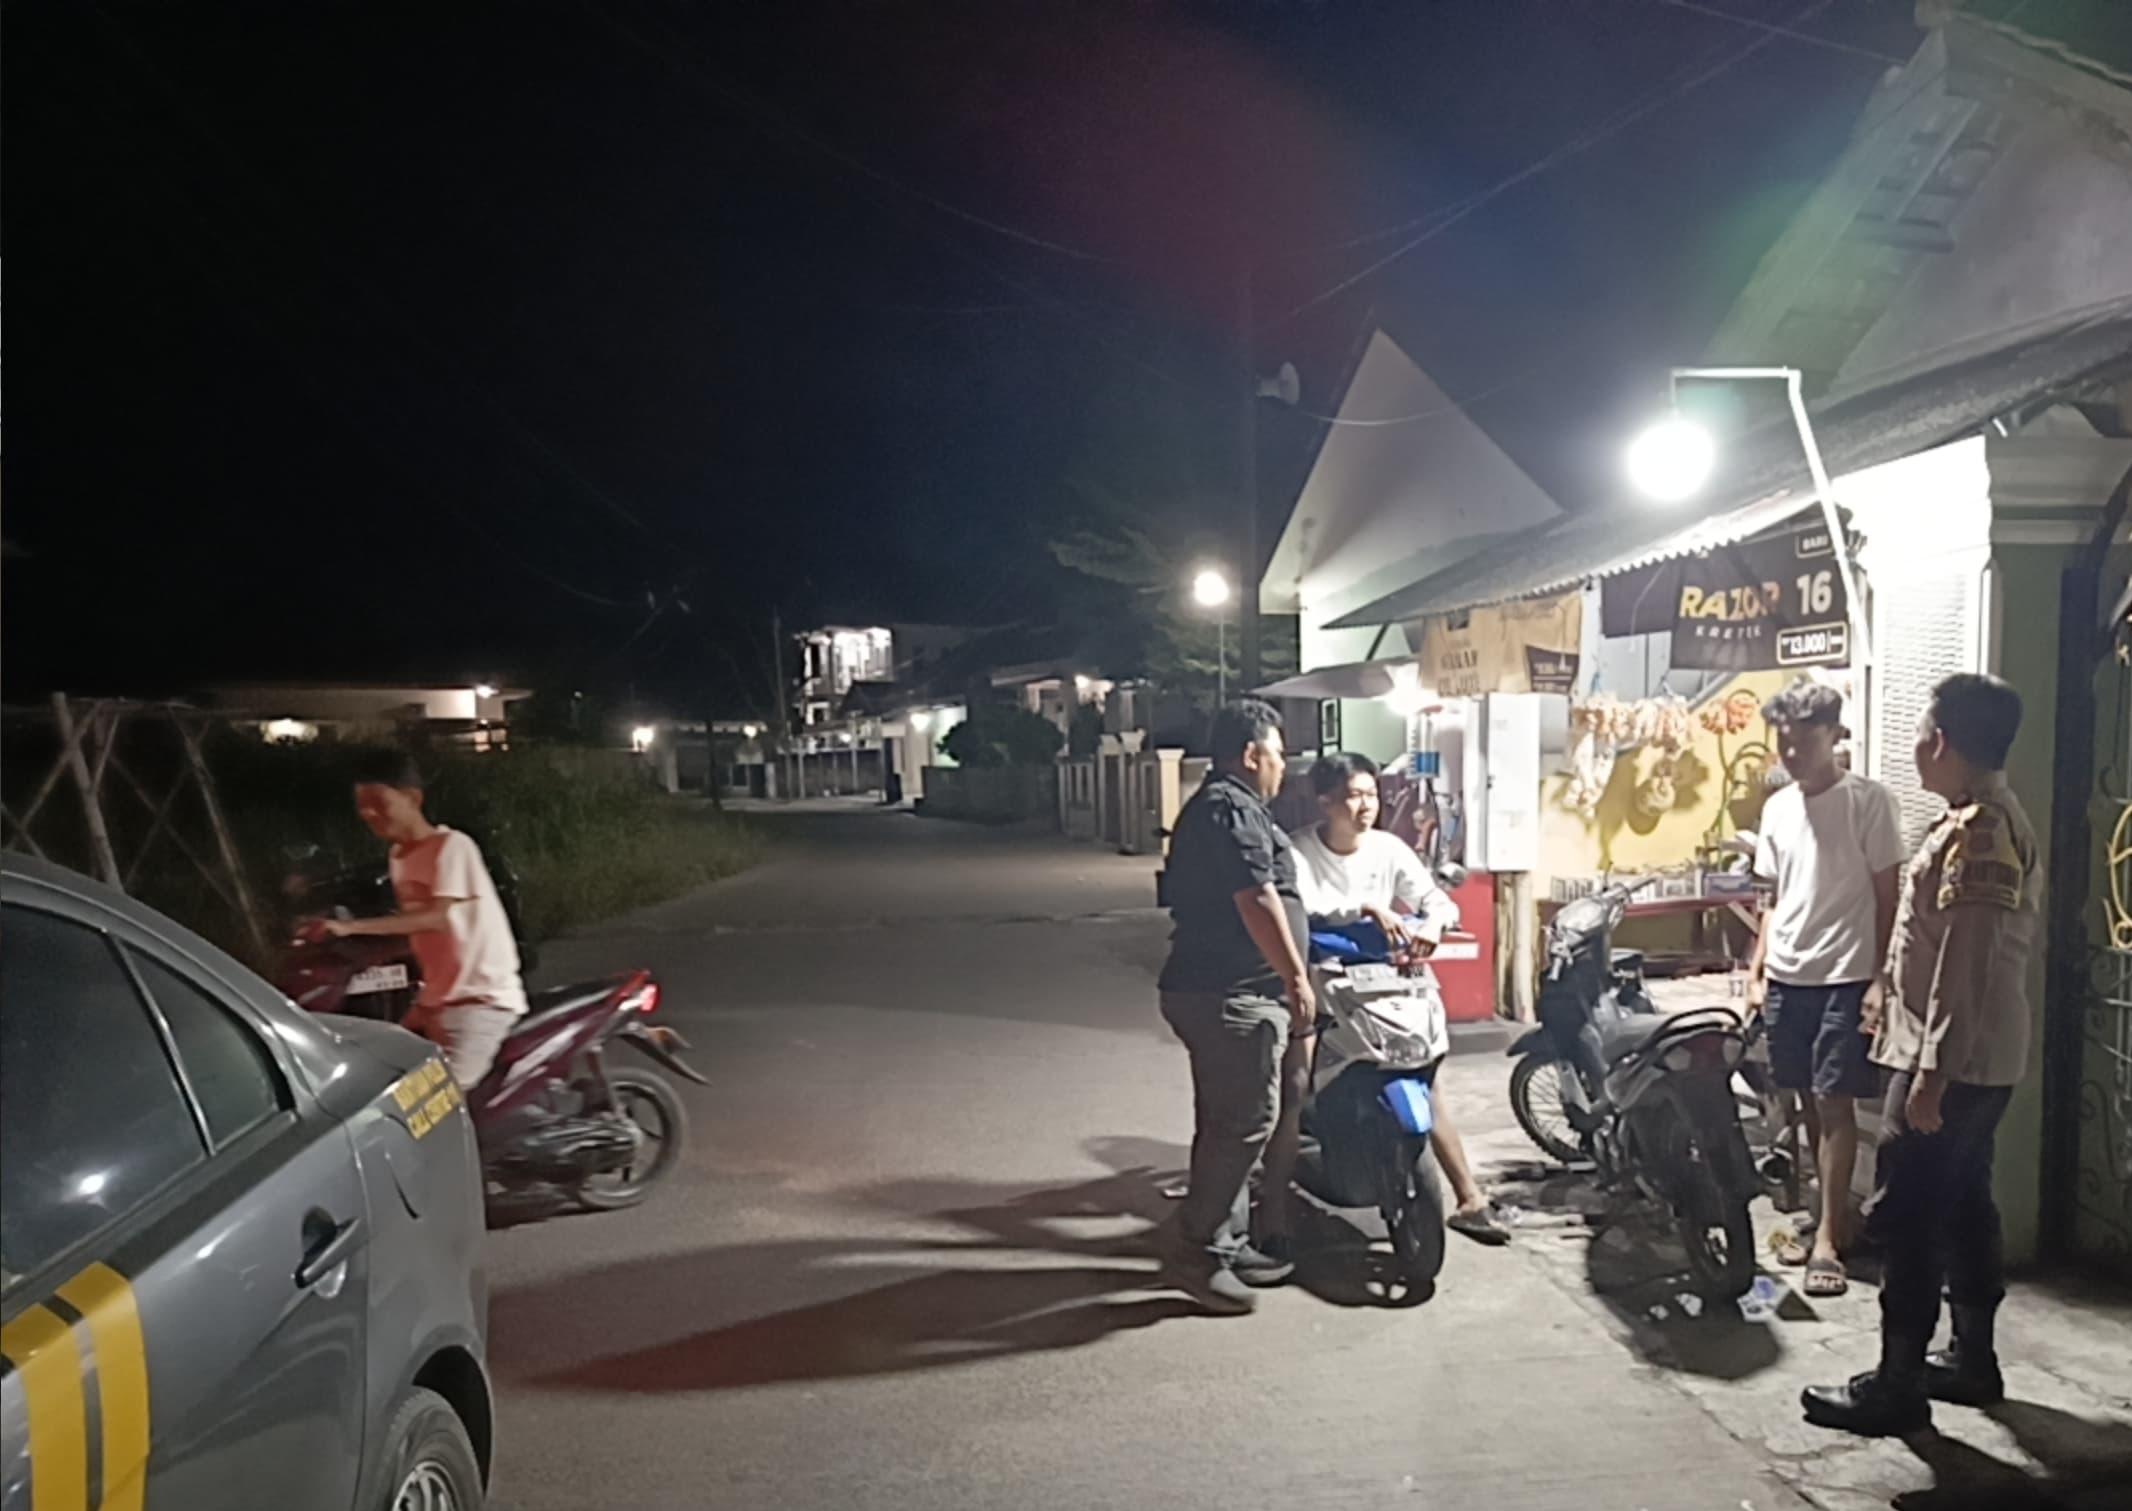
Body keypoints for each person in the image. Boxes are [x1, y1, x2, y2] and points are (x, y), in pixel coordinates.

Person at [1804, 673, 2038, 1437]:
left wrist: (1930, 1076)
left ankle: (1897, 1383)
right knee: (1964, 1201)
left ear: (1940, 741)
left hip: (1955, 1063)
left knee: (1907, 1215)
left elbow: (1966, 965)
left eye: (1920, 732)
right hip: (1968, 1057)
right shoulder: (1974, 818)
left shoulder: (1981, 830)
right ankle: (1972, 1358)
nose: (1914, 745)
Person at [1274, 752, 1511, 1250]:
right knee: (1296, 1087)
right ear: (1325, 801)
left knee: (1425, 1075)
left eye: (1371, 795)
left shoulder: (1389, 848)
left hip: (1388, 977)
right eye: (1354, 796)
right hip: (1323, 979)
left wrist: (1432, 925)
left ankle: (1469, 1198)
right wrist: (1365, 908)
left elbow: (1435, 900)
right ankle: (1270, 1208)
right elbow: (1302, 908)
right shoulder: (1298, 851)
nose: (1366, 806)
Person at [1745, 683, 1906, 1297]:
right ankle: (1830, 1217)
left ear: (1835, 736)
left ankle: (1830, 1241)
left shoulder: (1869, 802)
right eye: (1783, 743)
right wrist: (1757, 969)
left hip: (1845, 973)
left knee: (1835, 1102)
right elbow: (1774, 898)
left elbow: (1890, 899)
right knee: (1806, 1104)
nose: (1791, 754)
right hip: (1788, 974)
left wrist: (1880, 978)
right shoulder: (1777, 809)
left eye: (1803, 742)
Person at [1154, 699, 1312, 1313]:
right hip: (1229, 993)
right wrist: (1295, 979)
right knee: (1244, 1123)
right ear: (1252, 754)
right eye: (1278, 755)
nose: (1283, 768)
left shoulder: (1227, 806)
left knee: (1226, 1122)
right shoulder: (1231, 808)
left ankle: (1224, 1238)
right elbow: (1257, 898)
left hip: (1228, 990)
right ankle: (1198, 1254)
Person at [322, 748, 529, 1090]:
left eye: (378, 802)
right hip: (436, 999)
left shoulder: (452, 846)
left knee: (436, 1100)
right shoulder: (399, 856)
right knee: (382, 1074)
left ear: (412, 798)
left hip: (480, 1000)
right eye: (362, 804)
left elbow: (435, 919)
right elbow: (414, 927)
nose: (368, 813)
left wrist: (350, 927)